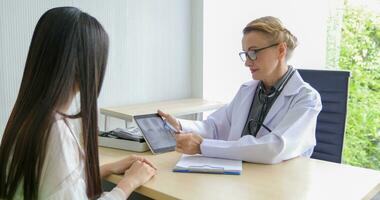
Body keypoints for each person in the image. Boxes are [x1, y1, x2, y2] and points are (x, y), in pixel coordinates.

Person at [0, 7, 156, 199]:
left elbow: (53, 185)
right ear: (84, 66)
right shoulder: (55, 131)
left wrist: (108, 168)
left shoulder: (29, 118)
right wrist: (129, 182)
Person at [159, 16, 322, 164]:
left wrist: (203, 146)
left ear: (280, 50)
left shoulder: (306, 98)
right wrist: (180, 125)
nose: (247, 62)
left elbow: (275, 148)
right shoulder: (247, 90)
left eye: (253, 52)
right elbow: (215, 127)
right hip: (242, 175)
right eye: (245, 54)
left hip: (280, 184)